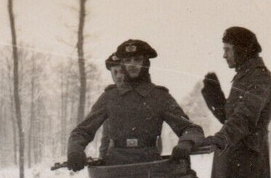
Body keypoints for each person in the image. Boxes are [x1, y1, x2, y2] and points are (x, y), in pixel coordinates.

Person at [66, 40, 203, 169]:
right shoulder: (110, 97)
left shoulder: (160, 97)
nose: (132, 64)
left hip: (151, 168)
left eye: (137, 60)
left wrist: (186, 143)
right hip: (115, 169)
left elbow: (191, 129)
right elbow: (82, 131)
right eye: (127, 60)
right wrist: (75, 150)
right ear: (123, 64)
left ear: (146, 63)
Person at [198, 26, 271, 178]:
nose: (224, 55)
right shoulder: (244, 76)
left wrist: (220, 139)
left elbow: (245, 118)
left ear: (242, 50)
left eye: (228, 49)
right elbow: (232, 119)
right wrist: (214, 96)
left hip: (247, 160)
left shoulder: (259, 77)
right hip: (233, 155)